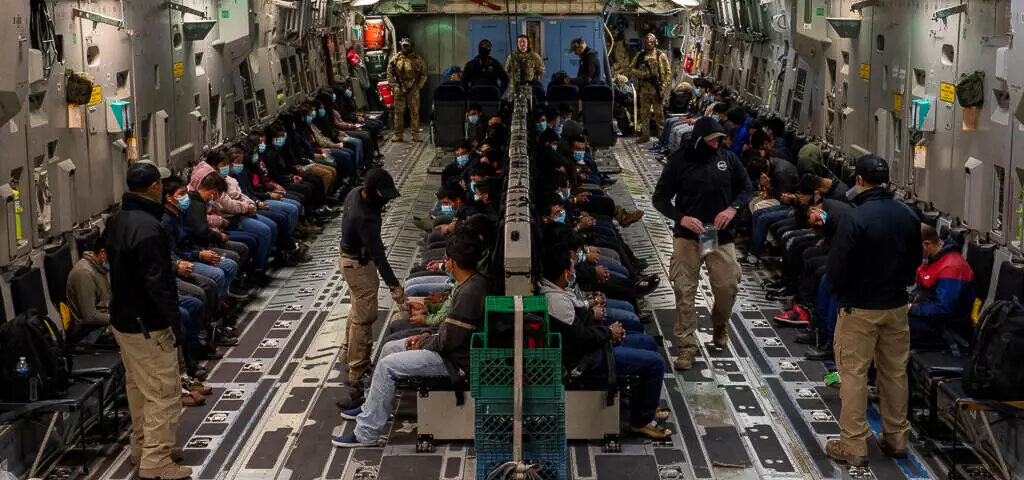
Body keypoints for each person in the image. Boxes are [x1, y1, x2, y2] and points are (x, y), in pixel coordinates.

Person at [333, 234, 489, 447]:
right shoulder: (469, 283)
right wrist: (425, 336)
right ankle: (371, 408)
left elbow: (449, 340)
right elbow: (447, 331)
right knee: (389, 348)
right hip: (447, 347)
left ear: (452, 262)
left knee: (388, 366)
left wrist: (423, 341)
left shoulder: (471, 292)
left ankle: (366, 433)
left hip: (456, 360)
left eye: (446, 258)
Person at [824, 155, 921, 467]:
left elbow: (837, 268)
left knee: (853, 373)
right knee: (894, 373)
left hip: (859, 309)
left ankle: (853, 445)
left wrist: (841, 295)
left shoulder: (856, 218)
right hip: (895, 307)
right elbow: (914, 264)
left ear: (860, 181)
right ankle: (897, 438)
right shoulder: (908, 215)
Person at [104, 163, 190, 480]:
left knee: (139, 389)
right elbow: (159, 283)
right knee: (164, 392)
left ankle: (142, 447)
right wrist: (174, 323)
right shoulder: (150, 228)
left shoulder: (116, 221)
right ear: (155, 187)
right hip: (146, 324)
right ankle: (156, 461)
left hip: (123, 320)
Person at [652, 117, 752, 370]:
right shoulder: (679, 162)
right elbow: (660, 199)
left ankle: (720, 324)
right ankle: (686, 346)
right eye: (713, 140)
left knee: (726, 286)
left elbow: (746, 188)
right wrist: (682, 217)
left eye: (720, 139)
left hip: (715, 233)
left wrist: (733, 208)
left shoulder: (727, 159)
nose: (718, 143)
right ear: (700, 140)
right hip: (688, 236)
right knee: (685, 290)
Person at [339, 168, 407, 384]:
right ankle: (357, 370)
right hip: (358, 265)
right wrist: (394, 286)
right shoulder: (365, 218)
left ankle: (347, 352)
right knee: (364, 316)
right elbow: (379, 256)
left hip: (349, 259)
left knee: (357, 307)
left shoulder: (355, 192)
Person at [910, 224, 974, 349]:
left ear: (926, 245)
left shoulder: (952, 267)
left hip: (944, 329)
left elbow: (944, 309)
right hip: (927, 316)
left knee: (891, 330)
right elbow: (922, 290)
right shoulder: (932, 258)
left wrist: (912, 308)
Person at [66, 237, 113, 345]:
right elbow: (89, 317)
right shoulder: (84, 274)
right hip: (89, 332)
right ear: (102, 253)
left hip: (104, 318)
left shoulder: (101, 267)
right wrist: (117, 318)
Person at [632, 33, 671, 144]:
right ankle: (645, 135)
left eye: (652, 42)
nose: (649, 44)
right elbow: (631, 69)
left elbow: (668, 72)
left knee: (659, 114)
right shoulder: (640, 56)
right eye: (647, 42)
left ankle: (661, 137)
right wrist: (642, 74)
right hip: (644, 88)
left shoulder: (660, 56)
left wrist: (663, 86)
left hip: (656, 88)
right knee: (644, 113)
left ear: (655, 43)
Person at [387, 38, 428, 142]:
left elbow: (424, 74)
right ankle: (398, 134)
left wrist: (418, 86)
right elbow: (389, 73)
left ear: (411, 46)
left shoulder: (417, 59)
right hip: (399, 89)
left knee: (414, 112)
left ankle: (415, 134)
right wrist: (394, 85)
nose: (405, 47)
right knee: (398, 113)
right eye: (403, 45)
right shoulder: (395, 59)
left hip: (413, 88)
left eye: (407, 45)